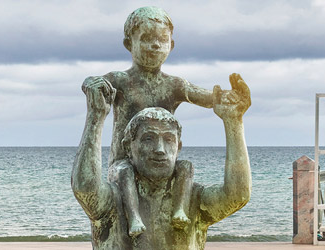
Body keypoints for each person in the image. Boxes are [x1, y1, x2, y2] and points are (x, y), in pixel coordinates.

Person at [80, 6, 247, 237]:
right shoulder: (121, 80)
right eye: (147, 39)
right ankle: (134, 217)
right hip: (124, 159)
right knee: (125, 172)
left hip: (161, 163)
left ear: (172, 45)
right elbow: (94, 82)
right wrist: (91, 86)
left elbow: (203, 96)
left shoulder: (174, 84)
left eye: (162, 40)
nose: (155, 45)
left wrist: (225, 100)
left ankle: (180, 209)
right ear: (129, 44)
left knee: (185, 168)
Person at [72, 72, 252, 248]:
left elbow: (237, 195)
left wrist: (233, 121)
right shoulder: (114, 199)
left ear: (178, 147)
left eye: (168, 140)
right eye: (148, 139)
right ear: (128, 147)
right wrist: (95, 117)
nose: (159, 149)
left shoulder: (193, 198)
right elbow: (85, 188)